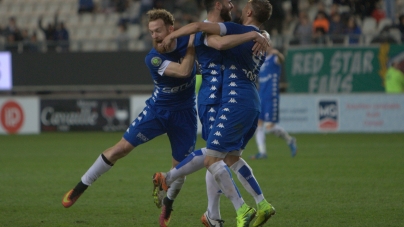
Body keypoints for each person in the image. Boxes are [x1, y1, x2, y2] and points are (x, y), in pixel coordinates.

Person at [62, 9, 198, 224]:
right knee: (121, 149)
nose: (154, 36)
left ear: (171, 30)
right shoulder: (153, 58)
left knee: (180, 169)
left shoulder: (186, 39)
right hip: (157, 111)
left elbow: (214, 33)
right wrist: (192, 44)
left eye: (158, 31)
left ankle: (168, 205)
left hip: (185, 114)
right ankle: (80, 187)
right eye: (151, 32)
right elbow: (183, 71)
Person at [153, 1, 275, 227]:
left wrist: (255, 34)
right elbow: (212, 38)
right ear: (218, 4)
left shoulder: (241, 30)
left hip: (233, 100)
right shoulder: (215, 30)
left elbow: (221, 42)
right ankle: (216, 214)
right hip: (217, 99)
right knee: (223, 157)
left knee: (215, 157)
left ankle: (213, 208)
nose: (234, 4)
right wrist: (255, 34)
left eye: (241, 4)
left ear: (249, 12)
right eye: (229, 1)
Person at [251, 45, 297, 160]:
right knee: (258, 125)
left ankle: (290, 140)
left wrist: (278, 53)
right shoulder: (261, 62)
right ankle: (262, 152)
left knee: (270, 127)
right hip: (261, 96)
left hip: (271, 96)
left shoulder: (274, 59)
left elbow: (281, 59)